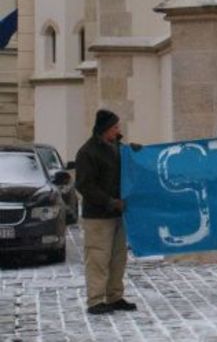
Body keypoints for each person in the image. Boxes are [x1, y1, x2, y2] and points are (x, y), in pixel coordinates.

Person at [75, 109, 137, 315]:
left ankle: (114, 296)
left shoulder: (119, 148)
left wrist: (137, 153)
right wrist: (110, 202)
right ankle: (95, 300)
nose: (118, 130)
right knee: (98, 258)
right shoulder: (88, 152)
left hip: (119, 214)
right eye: (115, 127)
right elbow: (85, 185)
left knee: (118, 258)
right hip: (98, 216)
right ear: (105, 129)